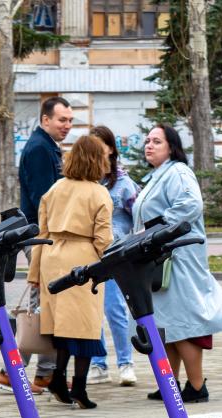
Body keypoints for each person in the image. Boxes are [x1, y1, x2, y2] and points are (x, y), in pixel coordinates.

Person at [134, 123, 222, 404]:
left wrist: (158, 228)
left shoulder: (178, 172)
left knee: (185, 325)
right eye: (147, 140)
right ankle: (170, 383)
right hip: (162, 259)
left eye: (157, 141)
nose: (149, 145)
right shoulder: (158, 175)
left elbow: (191, 204)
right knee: (166, 324)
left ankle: (196, 386)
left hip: (179, 260)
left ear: (172, 146)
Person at [27, 133, 113, 410]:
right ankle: (79, 387)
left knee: (62, 326)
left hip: (52, 258)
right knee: (86, 327)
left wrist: (34, 275)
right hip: (83, 260)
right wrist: (109, 265)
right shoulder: (99, 193)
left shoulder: (55, 189)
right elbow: (103, 239)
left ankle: (57, 378)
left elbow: (41, 233)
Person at [0, 95, 74, 396]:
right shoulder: (40, 149)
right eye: (61, 120)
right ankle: (10, 372)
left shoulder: (47, 146)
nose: (67, 126)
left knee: (48, 304)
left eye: (70, 120)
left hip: (44, 235)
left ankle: (45, 374)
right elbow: (47, 198)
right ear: (45, 120)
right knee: (39, 305)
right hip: (41, 236)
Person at [87, 125, 139, 388]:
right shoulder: (85, 183)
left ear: (110, 149)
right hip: (89, 255)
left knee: (115, 309)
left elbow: (140, 217)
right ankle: (98, 364)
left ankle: (125, 362)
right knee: (91, 311)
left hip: (115, 256)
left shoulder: (123, 184)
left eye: (101, 145)